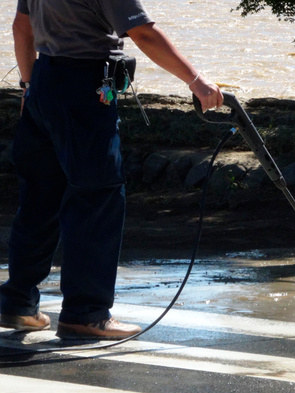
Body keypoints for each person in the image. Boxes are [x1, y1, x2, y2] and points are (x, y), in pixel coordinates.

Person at [0, 0, 223, 339]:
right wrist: (196, 80)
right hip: (83, 84)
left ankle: (17, 302)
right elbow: (144, 35)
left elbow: (21, 27)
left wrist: (29, 87)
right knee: (97, 198)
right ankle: (85, 313)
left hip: (44, 81)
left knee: (39, 198)